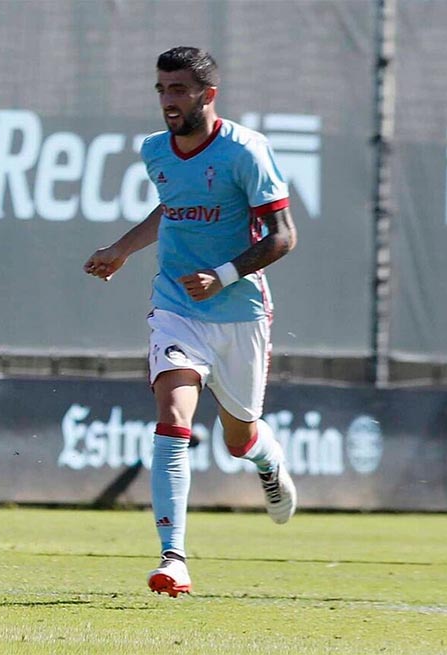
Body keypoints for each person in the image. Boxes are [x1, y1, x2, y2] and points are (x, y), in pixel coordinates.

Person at [83, 46, 298, 597]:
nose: (167, 101)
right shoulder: (154, 150)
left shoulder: (246, 150)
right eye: (161, 89)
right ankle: (173, 558)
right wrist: (123, 249)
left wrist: (224, 275)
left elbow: (282, 236)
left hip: (240, 310)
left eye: (178, 89)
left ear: (208, 94)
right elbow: (171, 208)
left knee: (238, 438)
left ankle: (267, 458)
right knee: (173, 417)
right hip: (176, 307)